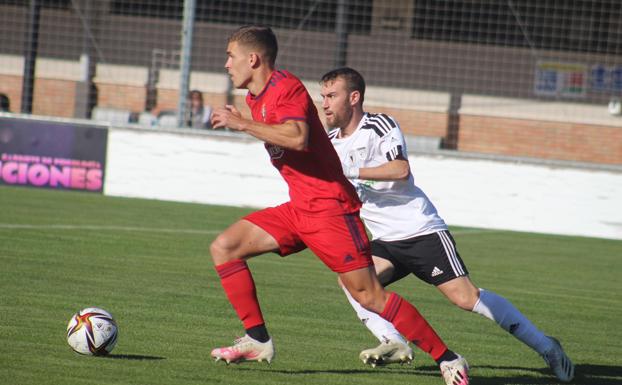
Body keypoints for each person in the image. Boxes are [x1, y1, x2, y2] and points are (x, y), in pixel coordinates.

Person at [209, 25, 469, 385]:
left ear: (252, 59)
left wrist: (242, 125)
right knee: (225, 247)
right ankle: (257, 340)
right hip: (300, 208)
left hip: (331, 210)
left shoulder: (287, 87)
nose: (226, 64)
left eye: (230, 56)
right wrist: (247, 120)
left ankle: (449, 358)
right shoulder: (255, 99)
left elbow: (298, 137)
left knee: (370, 296)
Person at [320, 67, 575, 382]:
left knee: (465, 298)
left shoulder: (379, 125)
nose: (325, 104)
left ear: (354, 97)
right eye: (323, 97)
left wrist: (353, 171)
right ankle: (393, 341)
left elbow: (400, 169)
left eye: (332, 96)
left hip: (421, 230)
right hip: (385, 240)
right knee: (352, 282)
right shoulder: (331, 142)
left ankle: (547, 346)